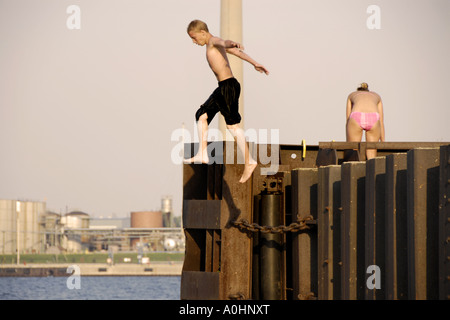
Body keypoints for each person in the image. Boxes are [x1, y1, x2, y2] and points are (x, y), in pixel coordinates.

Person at [184, 20, 269, 183]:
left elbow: (224, 42)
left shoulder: (213, 41)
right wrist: (254, 63)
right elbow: (236, 53)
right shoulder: (211, 45)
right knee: (201, 115)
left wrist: (231, 42)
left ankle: (249, 161)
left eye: (194, 38)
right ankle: (202, 153)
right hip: (223, 87)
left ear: (203, 32)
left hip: (228, 87)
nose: (194, 42)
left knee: (231, 126)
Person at [346, 82, 385, 160]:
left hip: (356, 115)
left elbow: (348, 119)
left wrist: (348, 143)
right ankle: (372, 169)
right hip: (373, 117)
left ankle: (354, 167)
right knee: (372, 154)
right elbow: (381, 121)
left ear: (358, 91)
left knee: (354, 151)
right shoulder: (377, 96)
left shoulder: (352, 95)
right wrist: (383, 143)